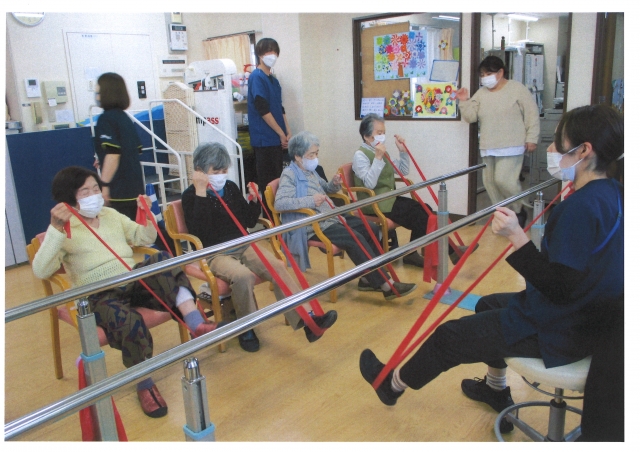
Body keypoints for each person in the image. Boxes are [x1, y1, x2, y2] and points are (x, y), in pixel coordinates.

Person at [359, 105, 623, 436]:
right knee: (487, 303)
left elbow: (559, 287)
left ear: (584, 151)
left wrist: (516, 236)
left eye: (559, 142)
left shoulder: (580, 208)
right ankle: (495, 388)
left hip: (561, 327)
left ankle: (392, 385)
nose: (552, 149)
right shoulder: (614, 193)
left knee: (448, 337)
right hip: (591, 319)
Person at [32, 166, 224, 419]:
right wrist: (55, 229)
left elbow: (143, 237)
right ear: (68, 199)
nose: (94, 195)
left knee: (164, 259)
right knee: (129, 321)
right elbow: (41, 270)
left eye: (96, 188)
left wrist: (147, 215)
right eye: (85, 192)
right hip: (98, 295)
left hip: (131, 280)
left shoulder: (110, 214)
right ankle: (144, 384)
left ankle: (195, 323)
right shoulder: (63, 230)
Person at [182, 142, 338, 352]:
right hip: (215, 252)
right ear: (200, 172)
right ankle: (247, 329)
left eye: (224, 170)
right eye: (215, 172)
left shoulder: (230, 188)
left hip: (243, 244)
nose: (221, 175)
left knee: (277, 265)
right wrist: (201, 192)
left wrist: (254, 201)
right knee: (243, 276)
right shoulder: (191, 196)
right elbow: (200, 231)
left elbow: (247, 220)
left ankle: (307, 320)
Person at [275, 131, 418, 301]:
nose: (315, 158)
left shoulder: (311, 171)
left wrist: (334, 184)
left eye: (316, 153)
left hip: (332, 216)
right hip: (313, 224)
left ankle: (367, 279)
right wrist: (310, 200)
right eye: (311, 154)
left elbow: (326, 189)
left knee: (370, 228)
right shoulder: (289, 174)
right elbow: (280, 203)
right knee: (354, 238)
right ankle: (386, 285)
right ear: (298, 156)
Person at [353, 113, 476, 267]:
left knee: (426, 209)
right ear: (366, 136)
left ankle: (422, 252)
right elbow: (369, 184)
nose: (382, 136)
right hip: (373, 203)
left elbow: (403, 170)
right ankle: (448, 250)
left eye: (384, 132)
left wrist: (403, 151)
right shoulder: (360, 155)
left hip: (388, 200)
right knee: (420, 215)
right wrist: (378, 158)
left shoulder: (382, 152)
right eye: (379, 133)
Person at [93, 72, 174, 254]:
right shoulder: (124, 118)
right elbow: (131, 150)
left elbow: (113, 154)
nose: (96, 97)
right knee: (145, 226)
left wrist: (104, 185)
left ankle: (172, 256)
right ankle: (175, 252)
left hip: (119, 189)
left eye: (98, 93)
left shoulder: (106, 119)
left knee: (128, 232)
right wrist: (102, 158)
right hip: (134, 185)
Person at [457, 56, 540, 228]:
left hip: (512, 144)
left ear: (501, 72)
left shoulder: (517, 89)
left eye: (488, 73)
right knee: (490, 183)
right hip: (488, 145)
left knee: (504, 180)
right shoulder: (481, 94)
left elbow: (531, 114)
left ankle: (519, 209)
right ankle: (504, 213)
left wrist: (532, 138)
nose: (485, 77)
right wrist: (463, 101)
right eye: (482, 74)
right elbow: (471, 117)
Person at [247, 37, 292, 195]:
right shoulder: (256, 77)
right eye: (268, 51)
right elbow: (263, 109)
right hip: (264, 140)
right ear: (260, 54)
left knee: (279, 182)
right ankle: (268, 212)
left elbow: (280, 107)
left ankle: (279, 211)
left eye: (274, 52)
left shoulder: (274, 80)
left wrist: (287, 131)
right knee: (268, 185)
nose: (272, 55)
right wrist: (280, 133)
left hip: (277, 139)